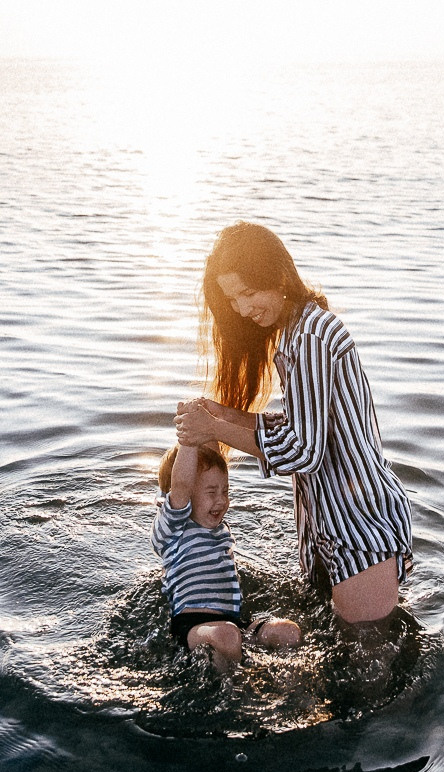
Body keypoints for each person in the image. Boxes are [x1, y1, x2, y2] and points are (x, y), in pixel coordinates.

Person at [174, 221, 414, 628]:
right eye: (233, 300)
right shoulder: (293, 335)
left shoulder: (311, 337)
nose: (243, 309)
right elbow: (306, 425)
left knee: (369, 680)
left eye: (248, 293)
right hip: (330, 528)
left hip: (359, 531)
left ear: (278, 275)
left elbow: (304, 449)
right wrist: (227, 415)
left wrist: (214, 430)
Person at [152, 427, 301, 673]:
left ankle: (289, 691)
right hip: (192, 626)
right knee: (227, 636)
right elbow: (180, 484)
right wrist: (189, 435)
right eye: (211, 493)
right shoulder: (172, 529)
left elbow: (212, 455)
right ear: (186, 496)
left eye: (225, 491)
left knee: (288, 632)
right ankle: (239, 692)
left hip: (235, 622)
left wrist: (206, 421)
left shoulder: (218, 526)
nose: (221, 500)